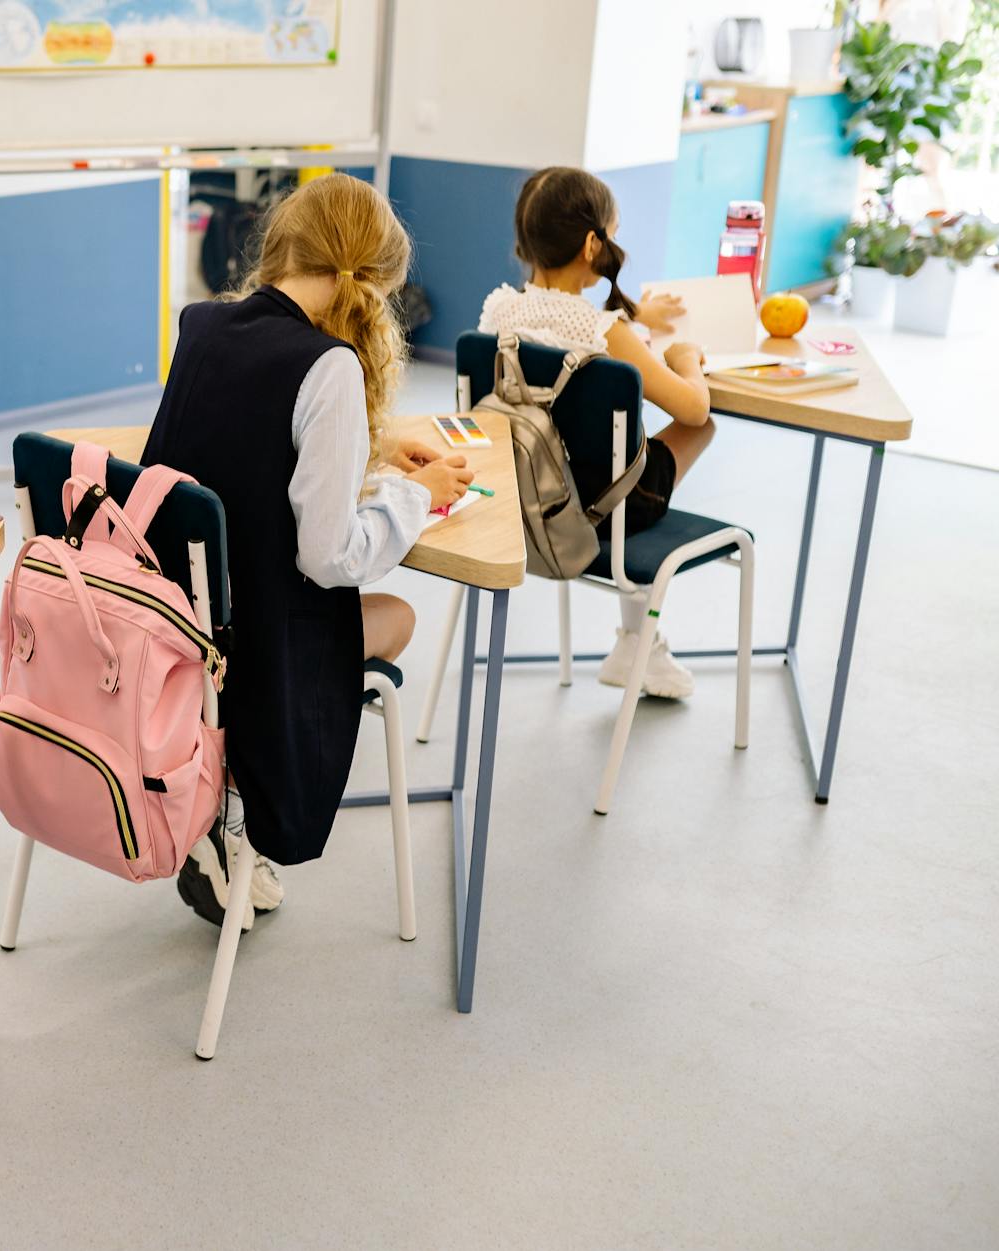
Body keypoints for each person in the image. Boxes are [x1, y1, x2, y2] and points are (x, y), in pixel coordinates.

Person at [141, 174, 472, 929]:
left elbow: (246, 438)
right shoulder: (331, 367)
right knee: (395, 619)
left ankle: (217, 785)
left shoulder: (201, 323)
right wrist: (412, 496)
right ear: (377, 280)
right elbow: (330, 559)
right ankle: (234, 805)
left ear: (282, 243)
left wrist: (372, 448)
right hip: (250, 655)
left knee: (352, 606)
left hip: (174, 622)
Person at [478, 166, 716, 699]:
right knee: (686, 437)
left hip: (522, 495)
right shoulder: (604, 332)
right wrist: (685, 359)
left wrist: (636, 318)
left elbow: (566, 318)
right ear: (592, 243)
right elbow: (694, 408)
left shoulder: (498, 311)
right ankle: (638, 640)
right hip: (602, 511)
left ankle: (636, 640)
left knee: (613, 448)